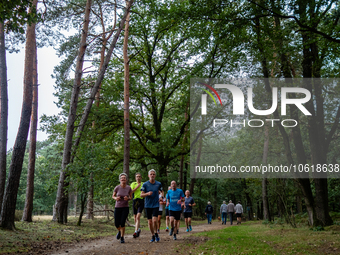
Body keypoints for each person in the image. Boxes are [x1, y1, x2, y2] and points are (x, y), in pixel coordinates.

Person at [141, 169, 163, 242]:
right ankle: (153, 235)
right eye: (151, 174)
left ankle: (156, 233)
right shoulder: (145, 184)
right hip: (147, 205)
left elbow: (162, 191)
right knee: (150, 222)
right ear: (148, 175)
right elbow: (141, 195)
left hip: (155, 204)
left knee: (154, 220)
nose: (152, 175)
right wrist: (147, 194)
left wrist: (161, 197)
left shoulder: (158, 184)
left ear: (155, 175)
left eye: (153, 174)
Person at [112, 173, 132, 244]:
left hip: (125, 207)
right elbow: (113, 196)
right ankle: (120, 231)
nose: (123, 179)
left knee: (122, 223)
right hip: (117, 207)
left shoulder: (129, 188)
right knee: (117, 224)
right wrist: (116, 198)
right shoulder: (117, 187)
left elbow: (131, 197)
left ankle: (122, 238)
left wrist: (128, 198)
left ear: (126, 180)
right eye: (122, 178)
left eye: (124, 178)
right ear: (120, 180)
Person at [130, 173, 144, 238]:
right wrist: (137, 187)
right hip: (135, 200)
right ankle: (138, 229)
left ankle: (135, 231)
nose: (138, 178)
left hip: (141, 200)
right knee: (135, 217)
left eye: (139, 176)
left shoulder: (144, 184)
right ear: (135, 178)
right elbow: (131, 192)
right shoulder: (133, 184)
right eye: (137, 177)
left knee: (138, 216)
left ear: (141, 178)